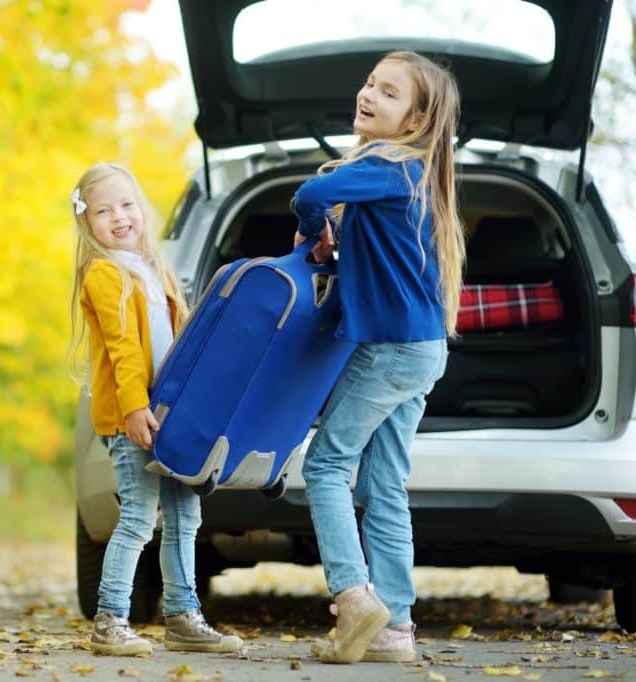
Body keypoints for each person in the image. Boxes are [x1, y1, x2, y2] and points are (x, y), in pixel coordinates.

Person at [290, 51, 465, 664]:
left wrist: (315, 226)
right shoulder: (415, 176)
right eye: (370, 83)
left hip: (391, 351)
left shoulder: (391, 166)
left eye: (388, 93)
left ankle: (355, 597)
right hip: (422, 351)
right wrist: (335, 238)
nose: (369, 94)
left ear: (415, 119)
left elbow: (311, 190)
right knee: (386, 484)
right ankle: (395, 631)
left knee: (326, 467)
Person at [68, 163, 243, 657]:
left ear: (141, 209)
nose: (118, 217)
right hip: (134, 421)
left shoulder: (154, 268)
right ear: (87, 224)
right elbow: (123, 350)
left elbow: (182, 343)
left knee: (186, 515)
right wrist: (133, 409)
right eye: (103, 211)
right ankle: (111, 619)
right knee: (139, 519)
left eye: (126, 205)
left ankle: (184, 616)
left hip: (170, 417)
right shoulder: (104, 274)